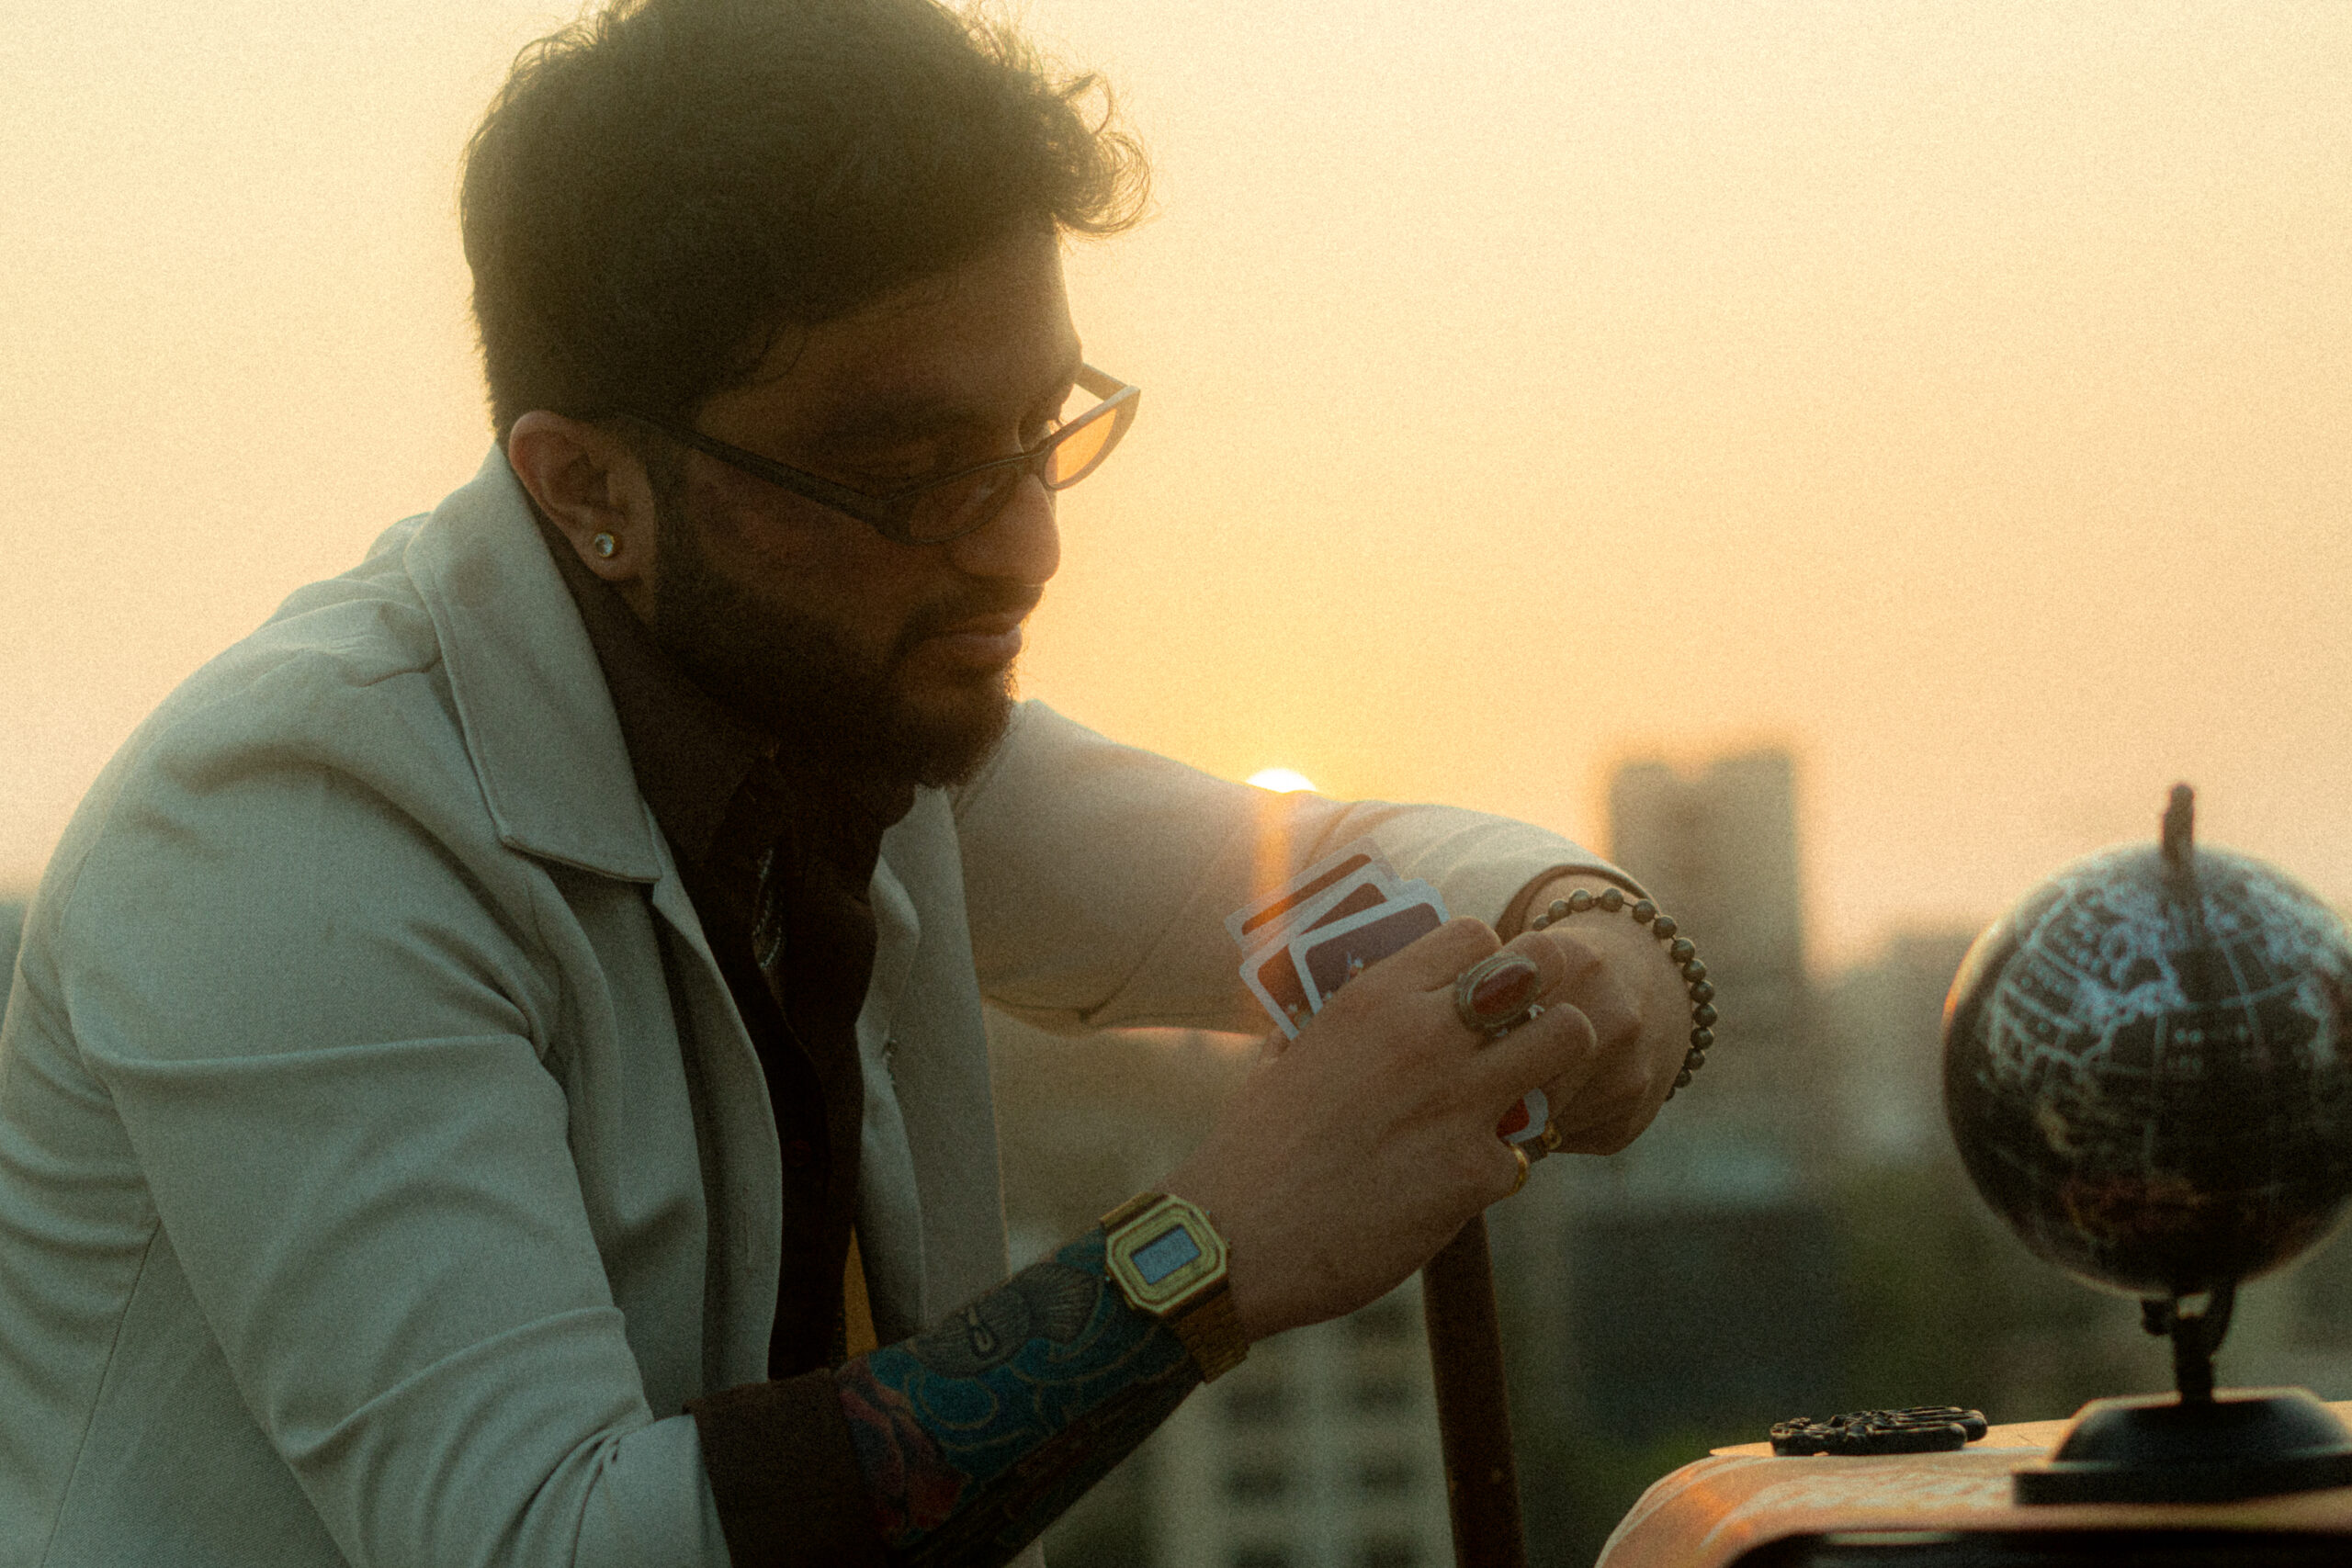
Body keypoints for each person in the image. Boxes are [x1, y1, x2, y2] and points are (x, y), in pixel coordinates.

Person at [0, 1, 1694, 1564]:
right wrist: (1208, 1256)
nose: (1027, 544)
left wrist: (1584, 943)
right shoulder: (286, 835)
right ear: (586, 482)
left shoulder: (846, 725)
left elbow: (1312, 864)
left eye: (1042, 430)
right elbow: (546, 1545)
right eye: (909, 469)